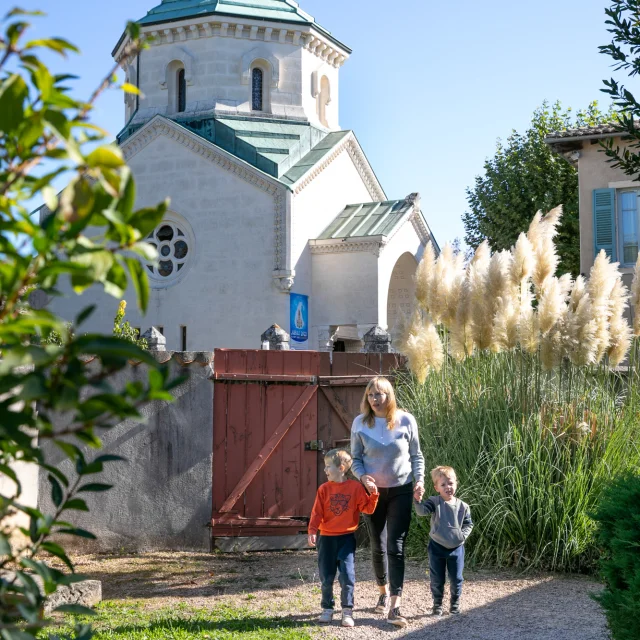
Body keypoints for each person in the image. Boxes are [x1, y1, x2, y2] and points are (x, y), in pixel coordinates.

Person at [350, 376, 425, 628]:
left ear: (389, 396)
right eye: (370, 394)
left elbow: (416, 455)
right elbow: (355, 459)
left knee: (396, 545)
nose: (374, 399)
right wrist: (362, 477)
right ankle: (382, 590)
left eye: (379, 394)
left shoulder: (406, 420)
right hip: (373, 494)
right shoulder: (360, 423)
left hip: (401, 489)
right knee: (378, 545)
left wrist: (420, 480)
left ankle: (395, 604)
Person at [308, 448, 379, 628]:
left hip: (346, 539)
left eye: (327, 466)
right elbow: (316, 513)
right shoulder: (323, 489)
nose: (325, 470)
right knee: (326, 576)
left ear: (341, 468)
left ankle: (347, 611)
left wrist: (374, 494)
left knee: (347, 576)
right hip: (326, 539)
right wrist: (312, 531)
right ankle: (327, 609)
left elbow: (367, 509)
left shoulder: (355, 487)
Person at [414, 465, 473, 616]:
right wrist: (417, 500)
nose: (448, 487)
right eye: (443, 484)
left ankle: (454, 604)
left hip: (456, 548)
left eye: (451, 483)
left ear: (456, 484)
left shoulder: (463, 506)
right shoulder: (435, 502)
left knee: (456, 578)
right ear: (436, 488)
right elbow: (421, 512)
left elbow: (468, 524)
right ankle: (437, 604)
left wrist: (462, 537)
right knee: (437, 578)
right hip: (437, 547)